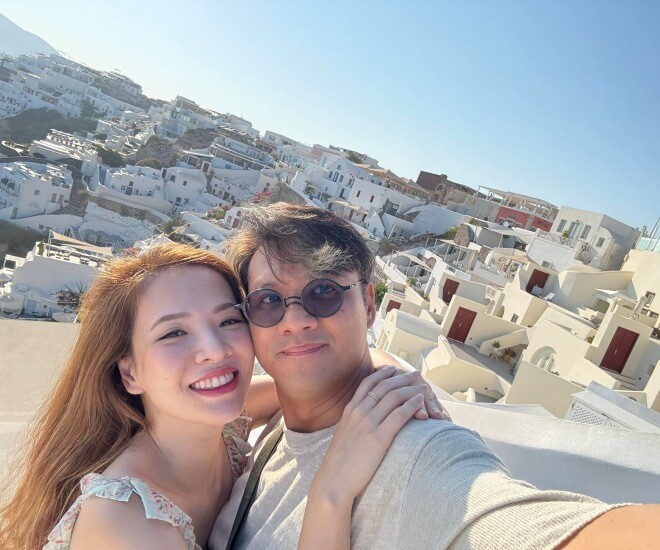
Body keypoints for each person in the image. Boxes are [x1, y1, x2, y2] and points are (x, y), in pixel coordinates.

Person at [210, 203, 660, 550]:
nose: (295, 320)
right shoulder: (278, 420)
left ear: (369, 304)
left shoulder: (418, 454)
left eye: (323, 292)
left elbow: (503, 520)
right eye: (268, 301)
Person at [0, 243, 445, 549]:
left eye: (228, 321)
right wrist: (331, 492)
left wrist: (402, 379)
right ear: (131, 373)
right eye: (174, 333)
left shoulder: (220, 423)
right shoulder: (128, 524)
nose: (214, 350)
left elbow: (338, 371)